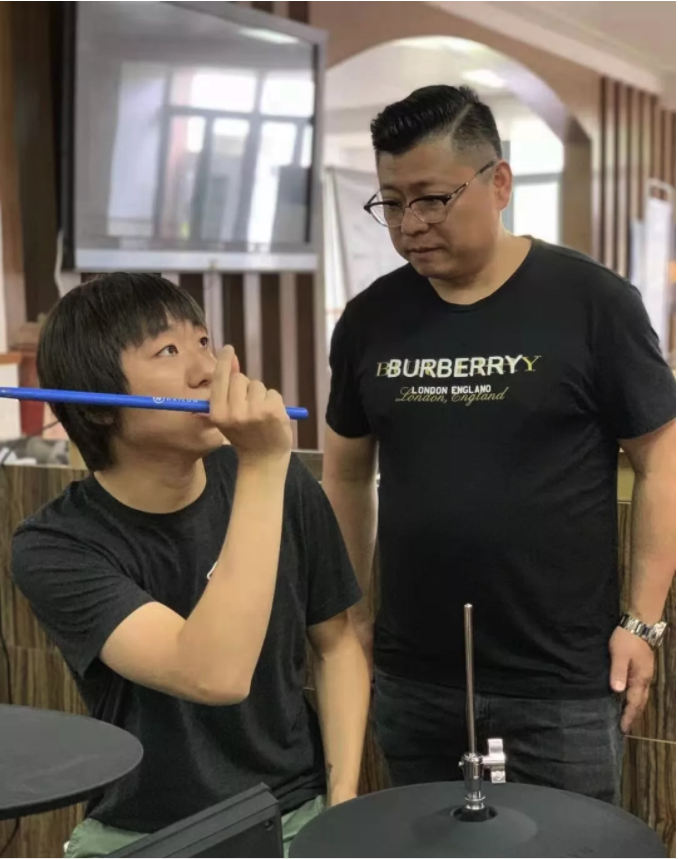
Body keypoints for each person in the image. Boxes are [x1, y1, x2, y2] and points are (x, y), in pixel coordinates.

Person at [322, 85, 676, 805]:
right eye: (392, 202)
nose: (410, 224)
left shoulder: (594, 303)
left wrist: (642, 621)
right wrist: (350, 615)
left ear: (500, 183)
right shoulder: (369, 320)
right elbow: (347, 476)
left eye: (432, 199)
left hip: (561, 684)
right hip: (414, 677)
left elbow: (662, 460)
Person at [12, 273, 370, 858]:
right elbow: (214, 675)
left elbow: (337, 646)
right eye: (168, 351)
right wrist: (262, 464)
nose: (209, 369)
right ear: (97, 404)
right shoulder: (56, 545)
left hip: (290, 811)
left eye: (204, 341)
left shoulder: (281, 484)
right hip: (142, 830)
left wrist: (345, 799)